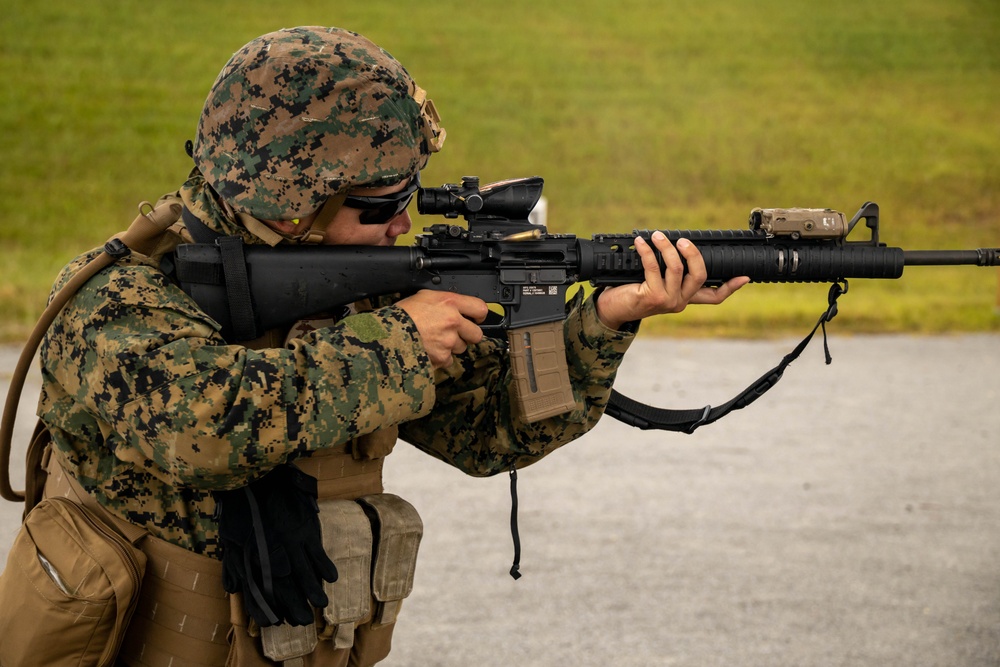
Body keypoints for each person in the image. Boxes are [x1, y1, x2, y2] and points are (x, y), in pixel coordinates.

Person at [19, 26, 748, 666]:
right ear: (294, 199)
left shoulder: (362, 300)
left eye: (411, 197)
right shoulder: (115, 300)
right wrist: (400, 343)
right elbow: (204, 425)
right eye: (382, 207)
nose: (404, 224)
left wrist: (609, 318)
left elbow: (489, 434)